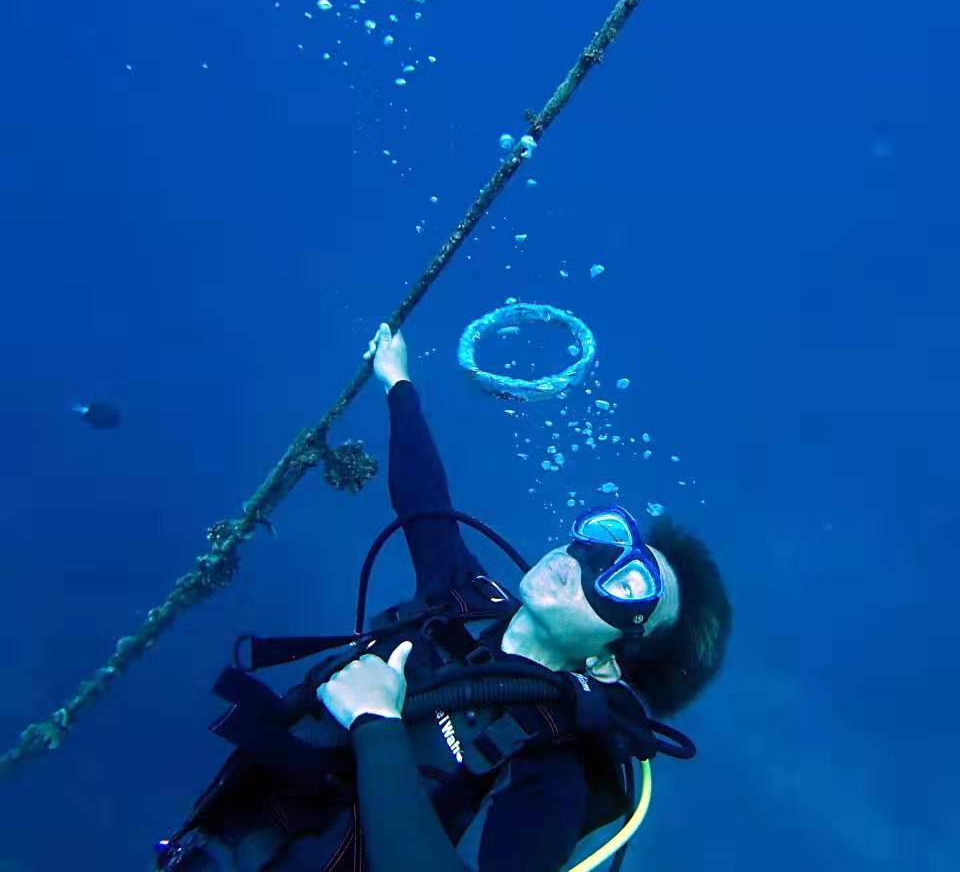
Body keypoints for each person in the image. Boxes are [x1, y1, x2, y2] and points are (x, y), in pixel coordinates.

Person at [155, 323, 732, 872]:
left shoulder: (551, 771)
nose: (582, 558)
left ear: (608, 661)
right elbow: (423, 500)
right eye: (603, 539)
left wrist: (377, 723)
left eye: (626, 584)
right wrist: (397, 381)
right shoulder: (467, 601)